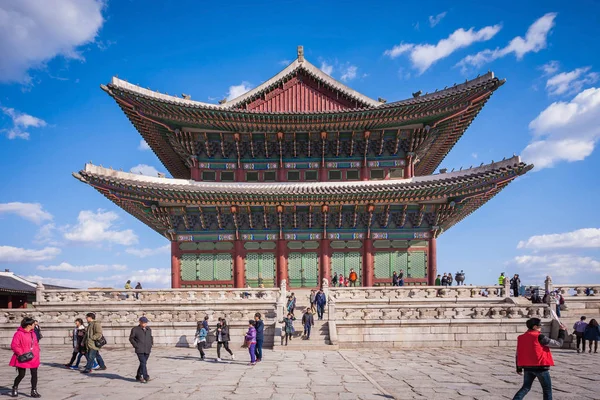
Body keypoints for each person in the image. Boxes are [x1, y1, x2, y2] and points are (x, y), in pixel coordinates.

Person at [512, 318, 566, 400]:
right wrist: (562, 331)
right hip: (540, 367)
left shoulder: (521, 337)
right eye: (539, 326)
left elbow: (518, 353)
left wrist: (518, 367)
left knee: (525, 387)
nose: (541, 327)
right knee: (547, 389)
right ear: (534, 327)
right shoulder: (540, 337)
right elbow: (558, 344)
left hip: (527, 367)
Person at [9, 317, 41, 398]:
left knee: (34, 374)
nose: (35, 325)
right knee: (21, 375)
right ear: (29, 325)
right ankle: (15, 387)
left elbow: (36, 344)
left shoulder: (33, 333)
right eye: (33, 324)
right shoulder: (18, 334)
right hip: (23, 357)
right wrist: (21, 353)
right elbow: (14, 345)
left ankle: (34, 390)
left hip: (33, 356)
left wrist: (37, 351)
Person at [129, 316, 153, 383]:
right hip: (140, 349)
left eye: (145, 323)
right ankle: (146, 376)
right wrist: (136, 345)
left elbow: (150, 337)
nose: (144, 324)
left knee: (143, 363)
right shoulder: (135, 329)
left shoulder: (148, 329)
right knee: (143, 362)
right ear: (140, 322)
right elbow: (131, 338)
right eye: (143, 323)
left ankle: (138, 376)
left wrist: (151, 344)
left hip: (147, 348)